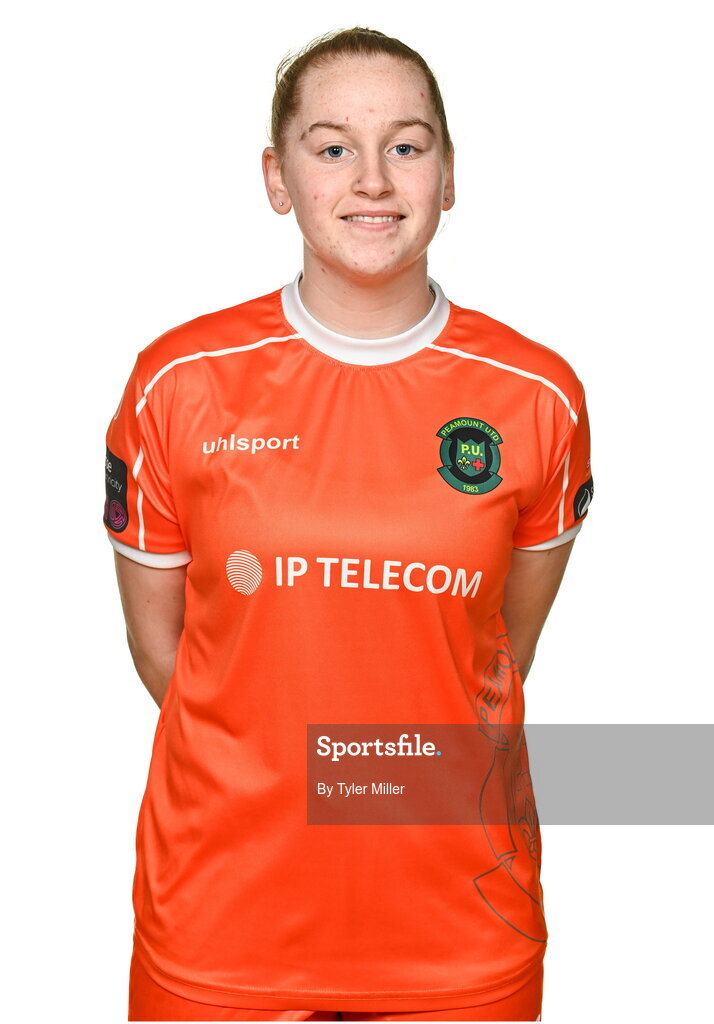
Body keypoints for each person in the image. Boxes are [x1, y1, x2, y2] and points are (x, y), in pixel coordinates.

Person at [104, 26, 593, 1023]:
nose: (372, 178)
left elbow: (497, 651)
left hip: (459, 934)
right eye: (331, 147)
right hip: (221, 926)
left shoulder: (539, 397)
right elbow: (169, 655)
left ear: (448, 176)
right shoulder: (178, 383)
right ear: (278, 178)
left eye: (407, 146)